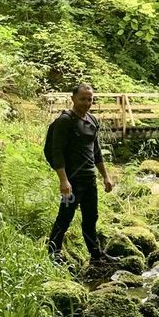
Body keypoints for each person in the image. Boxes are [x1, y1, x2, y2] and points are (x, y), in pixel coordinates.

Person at [46, 82, 114, 264]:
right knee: (65, 217)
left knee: (91, 217)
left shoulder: (92, 120)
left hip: (89, 178)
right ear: (73, 99)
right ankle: (53, 253)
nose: (86, 102)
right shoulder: (65, 121)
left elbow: (96, 150)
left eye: (89, 99)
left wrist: (105, 176)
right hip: (72, 181)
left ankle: (96, 255)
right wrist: (63, 180)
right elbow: (56, 151)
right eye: (82, 99)